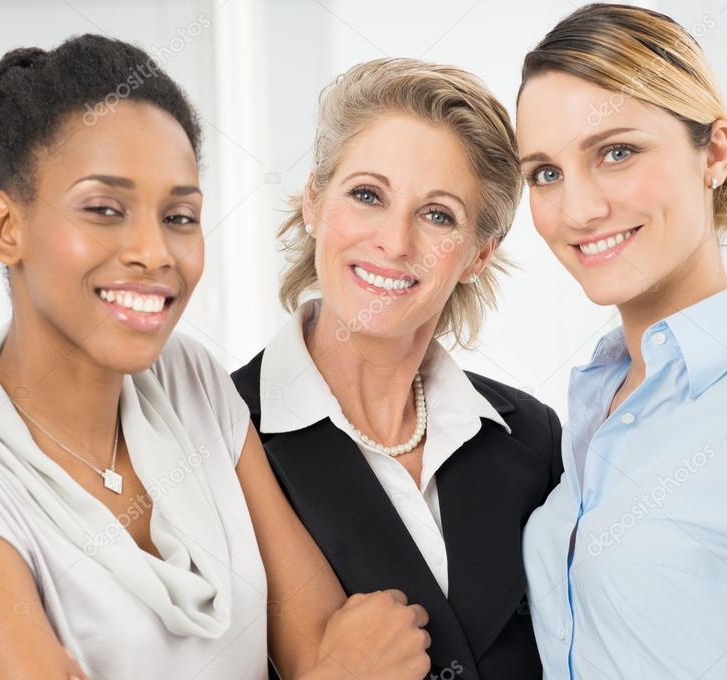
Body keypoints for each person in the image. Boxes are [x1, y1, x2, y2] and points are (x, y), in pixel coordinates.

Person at [0, 35, 431, 680]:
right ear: (5, 228)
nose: (153, 251)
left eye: (179, 215)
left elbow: (321, 636)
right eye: (104, 209)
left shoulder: (189, 379)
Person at [514, 5, 727, 678]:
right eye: (545, 173)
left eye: (616, 152)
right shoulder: (592, 407)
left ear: (715, 152)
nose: (578, 209)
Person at [232, 58, 563, 679]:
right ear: (313, 201)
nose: (394, 242)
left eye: (438, 214)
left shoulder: (532, 439)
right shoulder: (216, 437)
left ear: (477, 255)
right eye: (366, 195)